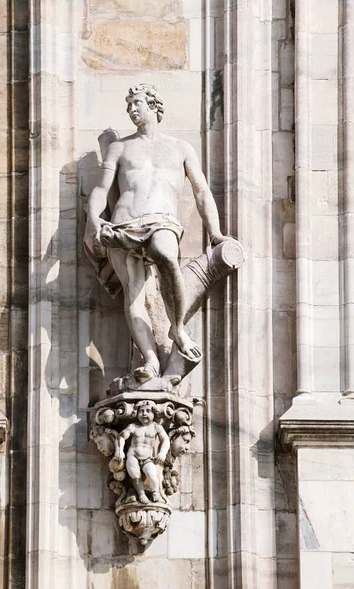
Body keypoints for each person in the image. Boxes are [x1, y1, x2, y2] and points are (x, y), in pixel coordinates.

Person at [85, 84, 226, 382]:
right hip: (124, 222)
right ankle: (149, 359)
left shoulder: (180, 148)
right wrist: (94, 218)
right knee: (133, 291)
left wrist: (215, 233)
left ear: (153, 105)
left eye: (136, 103)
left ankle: (177, 327)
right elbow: (101, 189)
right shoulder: (119, 147)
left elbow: (201, 192)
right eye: (128, 106)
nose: (131, 110)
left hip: (162, 220)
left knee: (166, 256)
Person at [116, 400, 170, 504]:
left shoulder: (156, 427)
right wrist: (120, 451)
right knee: (136, 476)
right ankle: (141, 494)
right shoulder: (133, 426)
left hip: (148, 458)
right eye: (141, 411)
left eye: (148, 411)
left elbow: (166, 440)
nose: (144, 414)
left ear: (154, 413)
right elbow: (122, 436)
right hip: (133, 456)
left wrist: (163, 453)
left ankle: (155, 493)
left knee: (152, 476)